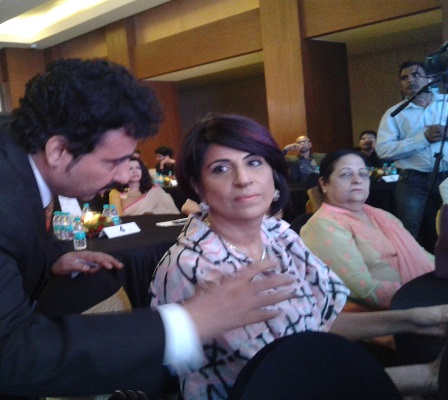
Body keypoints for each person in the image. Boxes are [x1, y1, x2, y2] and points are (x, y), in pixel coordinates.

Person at [0, 59, 300, 399]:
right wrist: (193, 320)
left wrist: (50, 255)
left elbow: (6, 227)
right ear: (59, 150)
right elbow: (10, 353)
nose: (124, 176)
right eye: (114, 161)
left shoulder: (7, 142)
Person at [150, 113, 448, 400]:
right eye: (221, 169)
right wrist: (426, 376)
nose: (244, 179)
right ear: (198, 186)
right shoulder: (190, 266)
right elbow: (284, 376)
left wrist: (418, 319)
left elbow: (320, 322)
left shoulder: (278, 234)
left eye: (254, 162)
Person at [300, 150, 434, 310]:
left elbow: (421, 255)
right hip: (393, 314)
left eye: (363, 174)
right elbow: (362, 289)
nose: (357, 180)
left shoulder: (382, 216)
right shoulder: (323, 225)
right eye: (346, 174)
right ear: (324, 184)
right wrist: (427, 296)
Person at [376, 61, 448, 252]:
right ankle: (414, 268)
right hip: (413, 181)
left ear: (429, 78)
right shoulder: (394, 114)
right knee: (410, 232)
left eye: (415, 75)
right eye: (404, 78)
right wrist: (422, 139)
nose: (410, 80)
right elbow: (382, 150)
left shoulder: (446, 103)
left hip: (447, 178)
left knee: (445, 228)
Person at [109, 157, 179, 216]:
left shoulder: (155, 191)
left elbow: (171, 214)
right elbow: (116, 218)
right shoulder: (115, 193)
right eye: (130, 168)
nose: (135, 171)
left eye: (138, 168)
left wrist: (152, 213)